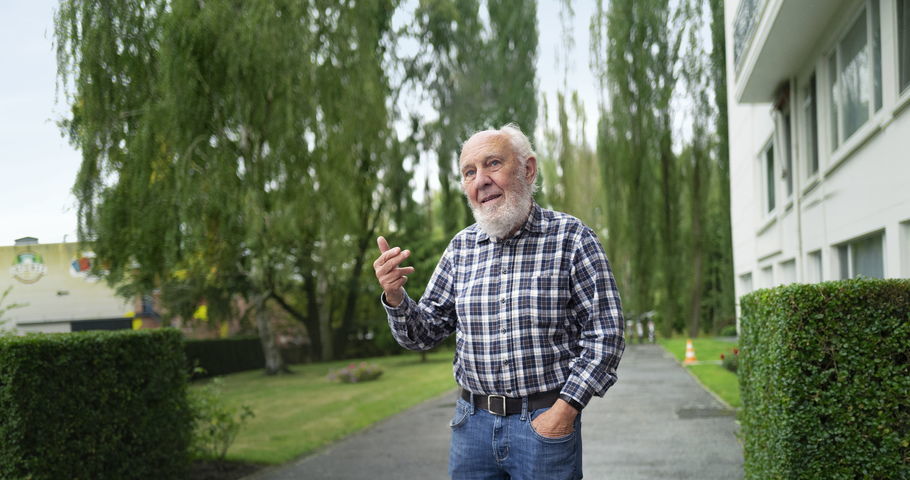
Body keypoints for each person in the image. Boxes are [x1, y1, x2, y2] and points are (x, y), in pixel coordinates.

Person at [372, 123, 624, 480]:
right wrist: (396, 296)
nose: (481, 180)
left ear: (528, 169)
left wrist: (565, 410)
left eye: (493, 164)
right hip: (471, 426)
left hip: (544, 424)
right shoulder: (461, 248)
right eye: (469, 172)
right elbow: (423, 333)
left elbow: (606, 335)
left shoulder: (573, 239)